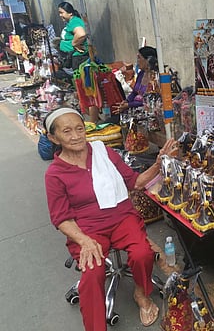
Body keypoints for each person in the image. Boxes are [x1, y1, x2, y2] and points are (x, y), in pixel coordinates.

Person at [43, 107, 178, 331]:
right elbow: (61, 218)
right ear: (53, 137)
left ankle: (142, 294)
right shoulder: (55, 174)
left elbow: (135, 183)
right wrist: (84, 241)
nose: (76, 136)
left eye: (79, 128)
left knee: (143, 254)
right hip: (87, 230)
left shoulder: (104, 152)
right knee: (92, 273)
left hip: (122, 218)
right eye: (67, 131)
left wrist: (158, 163)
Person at [112, 46, 159, 116]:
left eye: (139, 58)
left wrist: (129, 105)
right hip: (136, 112)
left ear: (148, 60)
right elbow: (134, 92)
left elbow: (149, 100)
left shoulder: (155, 77)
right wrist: (126, 101)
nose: (137, 61)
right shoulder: (141, 74)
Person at [58, 2, 89, 71]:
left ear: (70, 13)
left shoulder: (74, 21)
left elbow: (81, 34)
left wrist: (74, 43)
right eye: (59, 13)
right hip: (72, 57)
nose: (60, 15)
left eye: (61, 12)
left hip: (78, 58)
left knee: (80, 79)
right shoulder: (71, 22)